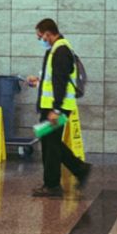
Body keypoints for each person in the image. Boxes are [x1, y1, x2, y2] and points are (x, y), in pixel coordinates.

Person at [26, 18, 92, 198]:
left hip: (57, 108)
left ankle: (53, 184)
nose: (40, 40)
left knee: (51, 144)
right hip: (54, 106)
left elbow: (60, 83)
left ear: (48, 33)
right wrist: (38, 82)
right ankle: (79, 170)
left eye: (40, 36)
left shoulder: (61, 50)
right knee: (50, 143)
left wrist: (56, 110)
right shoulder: (56, 49)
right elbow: (53, 80)